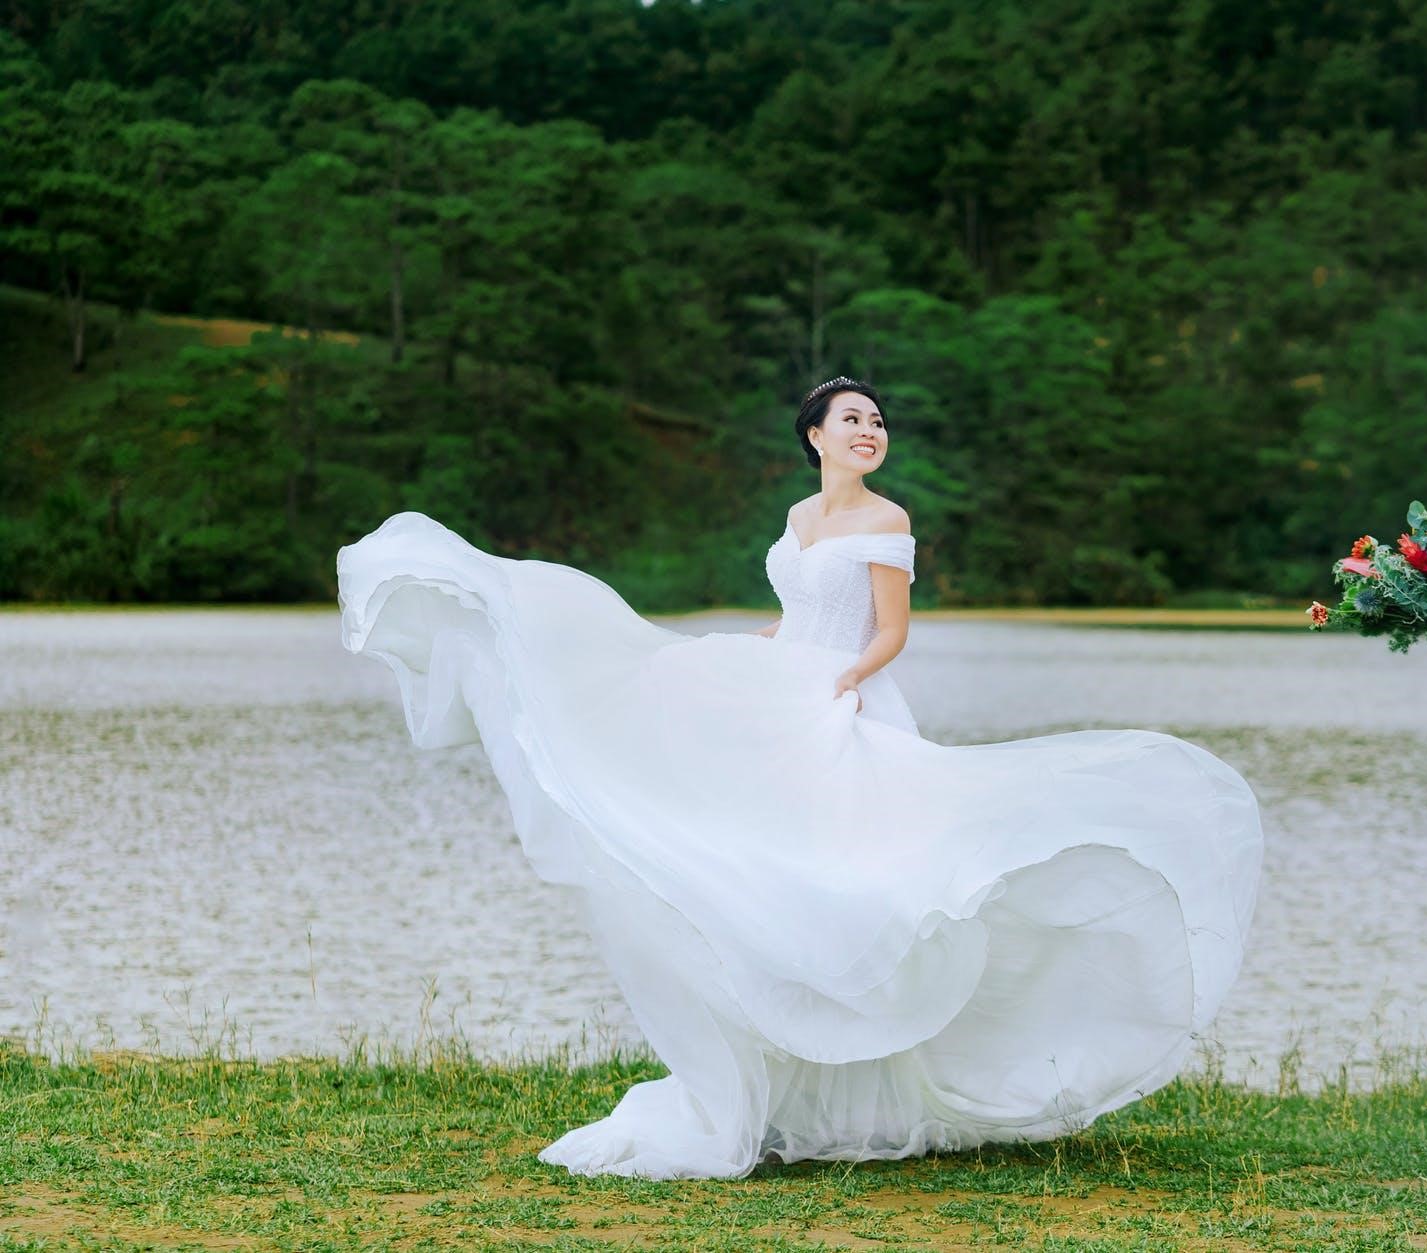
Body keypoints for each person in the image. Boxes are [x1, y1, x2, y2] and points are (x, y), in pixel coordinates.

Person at [337, 375, 1264, 1180]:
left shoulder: (885, 518)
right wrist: (758, 653)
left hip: (848, 700)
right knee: (753, 875)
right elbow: (797, 613)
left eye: (878, 422)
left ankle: (866, 1096)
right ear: (816, 437)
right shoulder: (800, 518)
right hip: (785, 688)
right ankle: (783, 1090)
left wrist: (843, 683)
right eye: (852, 420)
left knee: (856, 889)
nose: (870, 431)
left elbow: (889, 630)